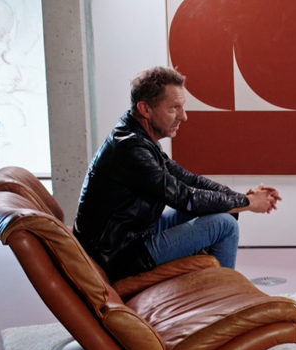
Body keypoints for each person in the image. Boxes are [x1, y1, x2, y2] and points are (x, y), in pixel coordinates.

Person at [74, 66, 281, 281]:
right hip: (119, 254)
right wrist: (248, 202)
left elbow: (190, 180)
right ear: (145, 109)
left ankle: (212, 286)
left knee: (222, 211)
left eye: (182, 107)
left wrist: (241, 197)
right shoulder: (130, 149)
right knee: (224, 225)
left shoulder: (136, 136)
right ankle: (224, 294)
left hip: (133, 234)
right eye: (174, 108)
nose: (184, 117)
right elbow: (186, 198)